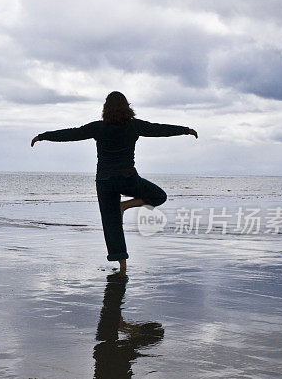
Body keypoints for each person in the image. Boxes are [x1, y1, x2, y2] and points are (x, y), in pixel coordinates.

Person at [31, 91, 198, 274]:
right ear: (127, 107)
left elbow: (72, 134)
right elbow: (159, 129)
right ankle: (125, 206)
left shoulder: (98, 127)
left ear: (105, 109)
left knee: (111, 224)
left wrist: (43, 136)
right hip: (127, 178)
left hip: (104, 181)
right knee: (159, 196)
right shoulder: (134, 126)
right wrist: (185, 130)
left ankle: (123, 266)